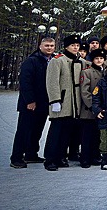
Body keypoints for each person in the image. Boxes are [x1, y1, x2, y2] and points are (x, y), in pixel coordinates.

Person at [43, 34, 87, 171]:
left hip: (74, 104)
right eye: (73, 45)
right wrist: (55, 100)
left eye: (77, 45)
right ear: (67, 46)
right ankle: (50, 159)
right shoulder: (58, 61)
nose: (75, 48)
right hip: (62, 102)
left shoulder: (81, 61)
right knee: (56, 132)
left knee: (67, 133)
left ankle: (61, 156)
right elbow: (52, 82)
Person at [10, 37, 55, 169]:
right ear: (40, 46)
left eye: (52, 45)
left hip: (44, 103)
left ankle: (31, 153)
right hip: (30, 103)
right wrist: (30, 100)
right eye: (46, 45)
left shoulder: (52, 61)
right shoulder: (32, 61)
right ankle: (16, 157)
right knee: (24, 130)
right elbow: (25, 82)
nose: (49, 48)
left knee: (37, 130)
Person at [78, 49, 107, 168]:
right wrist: (93, 107)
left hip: (102, 109)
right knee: (87, 135)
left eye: (101, 58)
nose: (99, 60)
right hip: (89, 110)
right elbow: (85, 92)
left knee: (97, 135)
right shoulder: (87, 72)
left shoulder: (106, 72)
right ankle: (85, 158)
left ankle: (95, 156)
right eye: (97, 58)